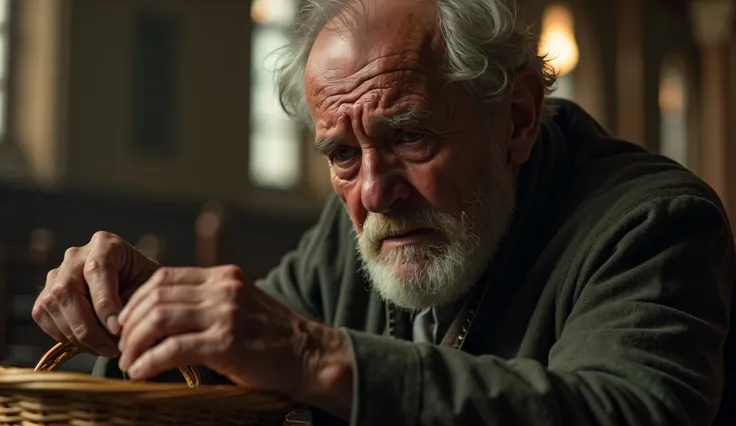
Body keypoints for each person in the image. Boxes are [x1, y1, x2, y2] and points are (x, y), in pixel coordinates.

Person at [31, 0, 735, 425]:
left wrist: (313, 354)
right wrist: (137, 320)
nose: (372, 191)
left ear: (517, 117)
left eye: (410, 136)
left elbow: (625, 413)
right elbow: (236, 366)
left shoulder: (654, 223)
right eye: (341, 154)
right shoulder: (356, 233)